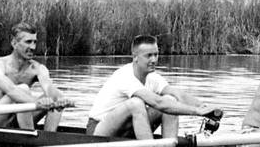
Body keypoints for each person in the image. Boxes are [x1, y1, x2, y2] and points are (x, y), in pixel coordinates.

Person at [86, 34, 218, 139]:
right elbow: (158, 102)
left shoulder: (153, 77)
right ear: (135, 57)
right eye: (149, 56)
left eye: (156, 54)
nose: (154, 60)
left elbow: (178, 94)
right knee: (136, 103)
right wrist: (196, 112)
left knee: (170, 100)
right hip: (99, 132)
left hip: (127, 129)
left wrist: (206, 109)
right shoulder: (125, 76)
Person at [0, 22, 69, 131]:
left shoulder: (38, 69)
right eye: (28, 42)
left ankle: (49, 138)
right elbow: (11, 90)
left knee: (57, 94)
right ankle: (30, 137)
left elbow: (49, 88)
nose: (33, 47)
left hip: (16, 120)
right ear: (14, 43)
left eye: (34, 42)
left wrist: (58, 101)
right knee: (23, 89)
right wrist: (37, 103)